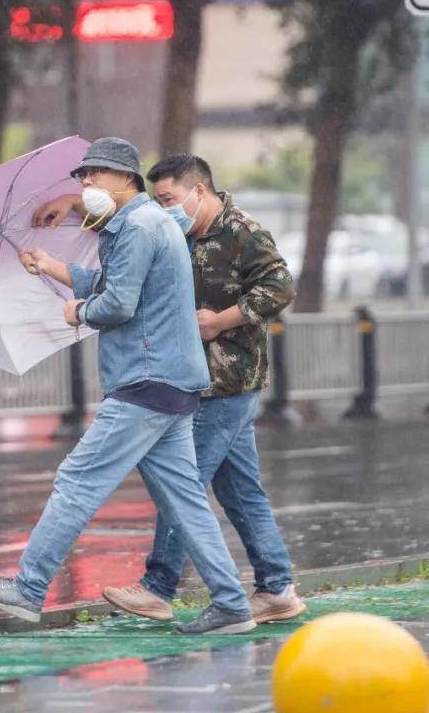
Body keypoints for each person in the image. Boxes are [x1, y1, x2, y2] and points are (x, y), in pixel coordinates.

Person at [0, 137, 256, 635]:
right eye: (82, 176)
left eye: (95, 174)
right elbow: (114, 283)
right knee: (185, 501)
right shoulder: (140, 223)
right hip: (170, 381)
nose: (86, 183)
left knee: (77, 481)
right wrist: (51, 266)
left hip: (146, 380)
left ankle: (29, 588)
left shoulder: (140, 226)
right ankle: (231, 604)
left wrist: (78, 311)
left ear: (127, 178)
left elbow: (117, 303)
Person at [101, 153, 304, 624]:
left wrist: (221, 321)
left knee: (183, 483)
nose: (165, 206)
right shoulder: (176, 231)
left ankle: (158, 586)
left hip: (229, 379)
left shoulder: (241, 231)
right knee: (239, 490)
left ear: (199, 191)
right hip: (197, 378)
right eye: (159, 199)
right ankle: (276, 588)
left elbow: (279, 285)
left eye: (170, 197)